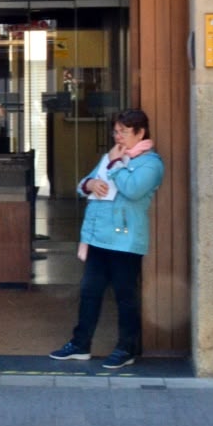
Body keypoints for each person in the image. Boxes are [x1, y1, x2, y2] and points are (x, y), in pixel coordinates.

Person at [49, 109, 163, 370]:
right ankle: (80, 344)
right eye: (116, 131)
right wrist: (89, 184)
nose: (118, 136)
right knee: (89, 292)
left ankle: (126, 348)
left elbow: (133, 190)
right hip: (98, 237)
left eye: (123, 131)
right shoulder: (110, 156)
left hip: (125, 240)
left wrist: (115, 166)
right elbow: (83, 184)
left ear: (140, 133)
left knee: (125, 296)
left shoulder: (152, 163)